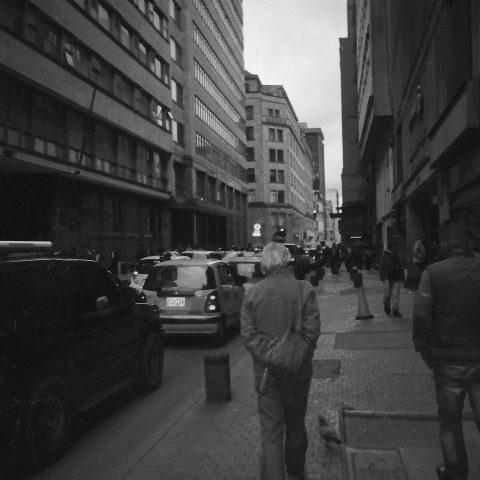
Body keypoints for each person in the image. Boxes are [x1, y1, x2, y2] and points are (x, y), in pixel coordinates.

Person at [241, 242, 321, 480]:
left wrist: (270, 357)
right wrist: (296, 356)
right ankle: (296, 472)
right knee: (295, 426)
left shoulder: (253, 294)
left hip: (267, 376)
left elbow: (249, 336)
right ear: (287, 261)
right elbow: (312, 332)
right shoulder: (304, 289)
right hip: (298, 374)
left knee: (271, 435)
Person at [412, 220, 480, 480]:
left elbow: (420, 316)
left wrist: (424, 349)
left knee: (450, 422)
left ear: (444, 244)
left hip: (447, 360)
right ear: (468, 241)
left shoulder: (433, 273)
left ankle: (455, 472)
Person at [379, 240, 404, 317]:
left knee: (396, 294)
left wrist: (402, 277)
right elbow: (382, 267)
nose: (396, 248)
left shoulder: (397, 255)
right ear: (391, 247)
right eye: (395, 247)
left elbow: (401, 266)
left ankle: (395, 310)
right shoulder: (385, 255)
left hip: (396, 277)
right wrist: (382, 277)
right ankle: (387, 305)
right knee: (387, 294)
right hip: (388, 278)